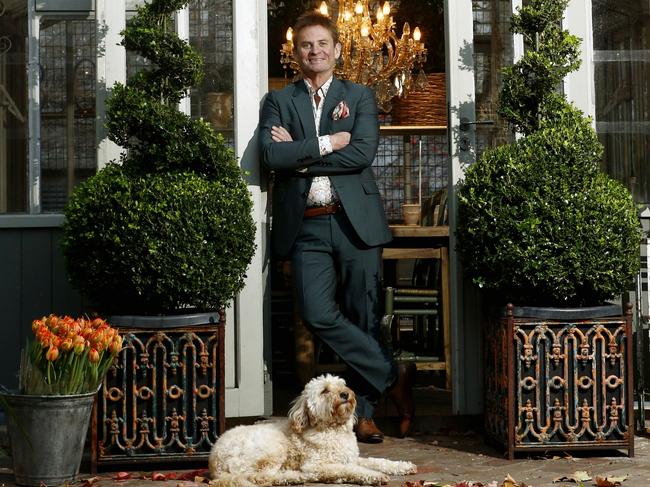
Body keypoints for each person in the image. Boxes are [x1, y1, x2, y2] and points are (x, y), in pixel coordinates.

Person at [259, 11, 415, 444]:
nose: (315, 51)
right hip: (306, 226)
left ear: (337, 49)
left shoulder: (360, 95)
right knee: (316, 312)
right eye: (306, 45)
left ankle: (362, 414)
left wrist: (302, 154)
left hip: (356, 225)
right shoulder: (278, 101)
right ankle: (392, 375)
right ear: (296, 53)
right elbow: (273, 158)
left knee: (363, 318)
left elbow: (362, 154)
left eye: (322, 44)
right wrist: (329, 143)